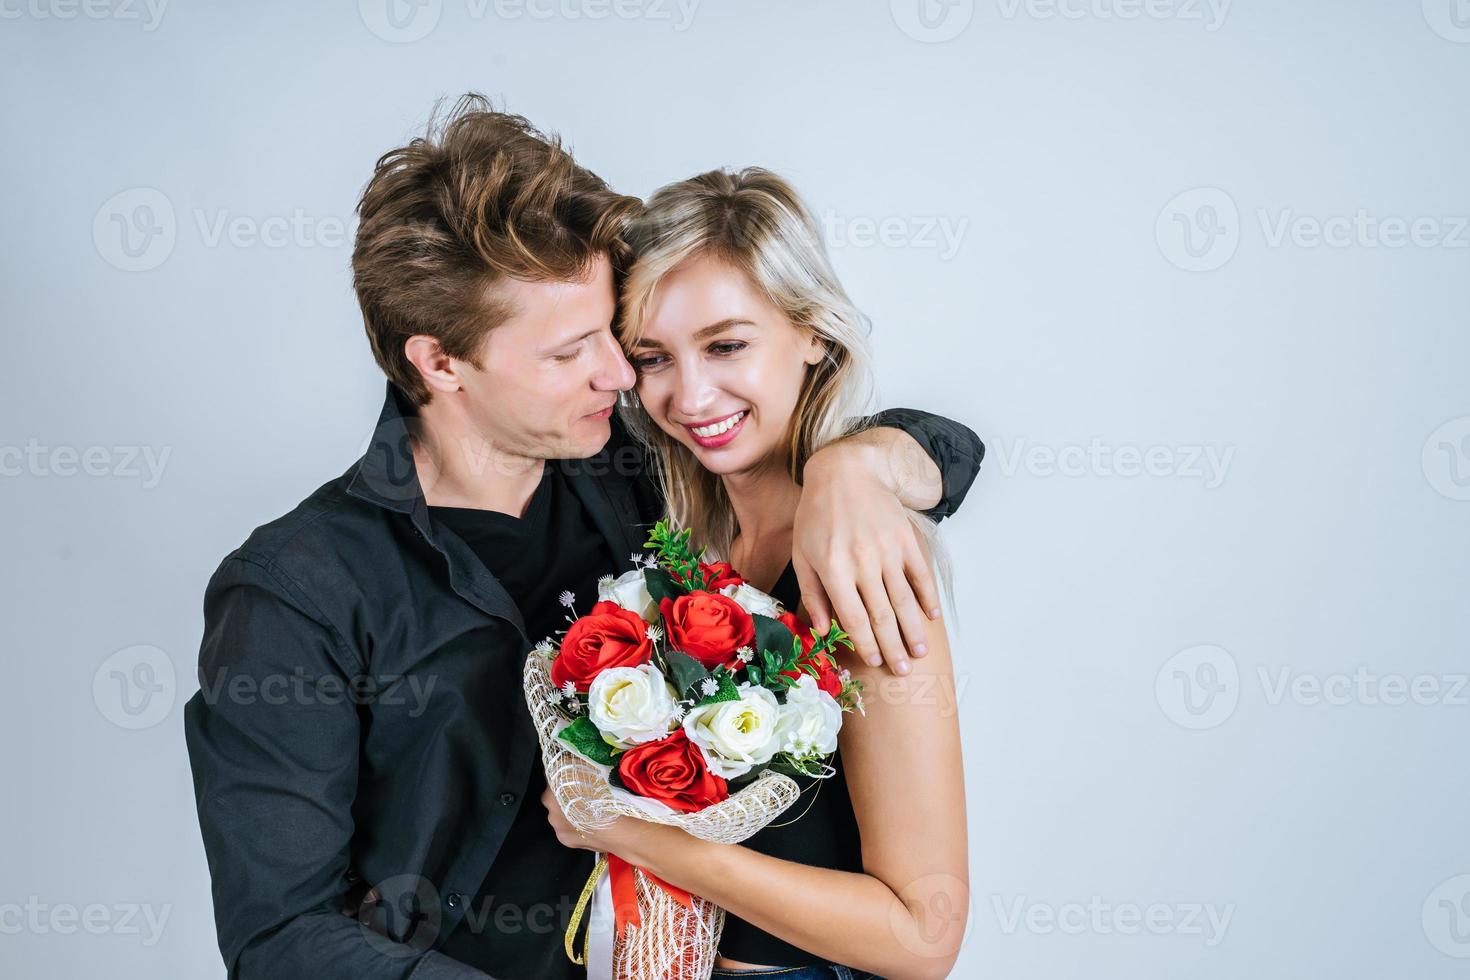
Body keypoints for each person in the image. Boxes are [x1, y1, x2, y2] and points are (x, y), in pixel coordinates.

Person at [184, 95, 983, 979]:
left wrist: (859, 467)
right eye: (573, 352)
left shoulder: (654, 478)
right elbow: (281, 940)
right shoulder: (299, 589)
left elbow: (931, 442)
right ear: (439, 362)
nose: (626, 378)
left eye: (615, 335)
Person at [543, 168, 972, 980]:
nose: (691, 393)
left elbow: (924, 937)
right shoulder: (685, 541)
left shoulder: (859, 559)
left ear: (813, 332)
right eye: (654, 357)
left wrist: (634, 833)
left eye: (727, 344)